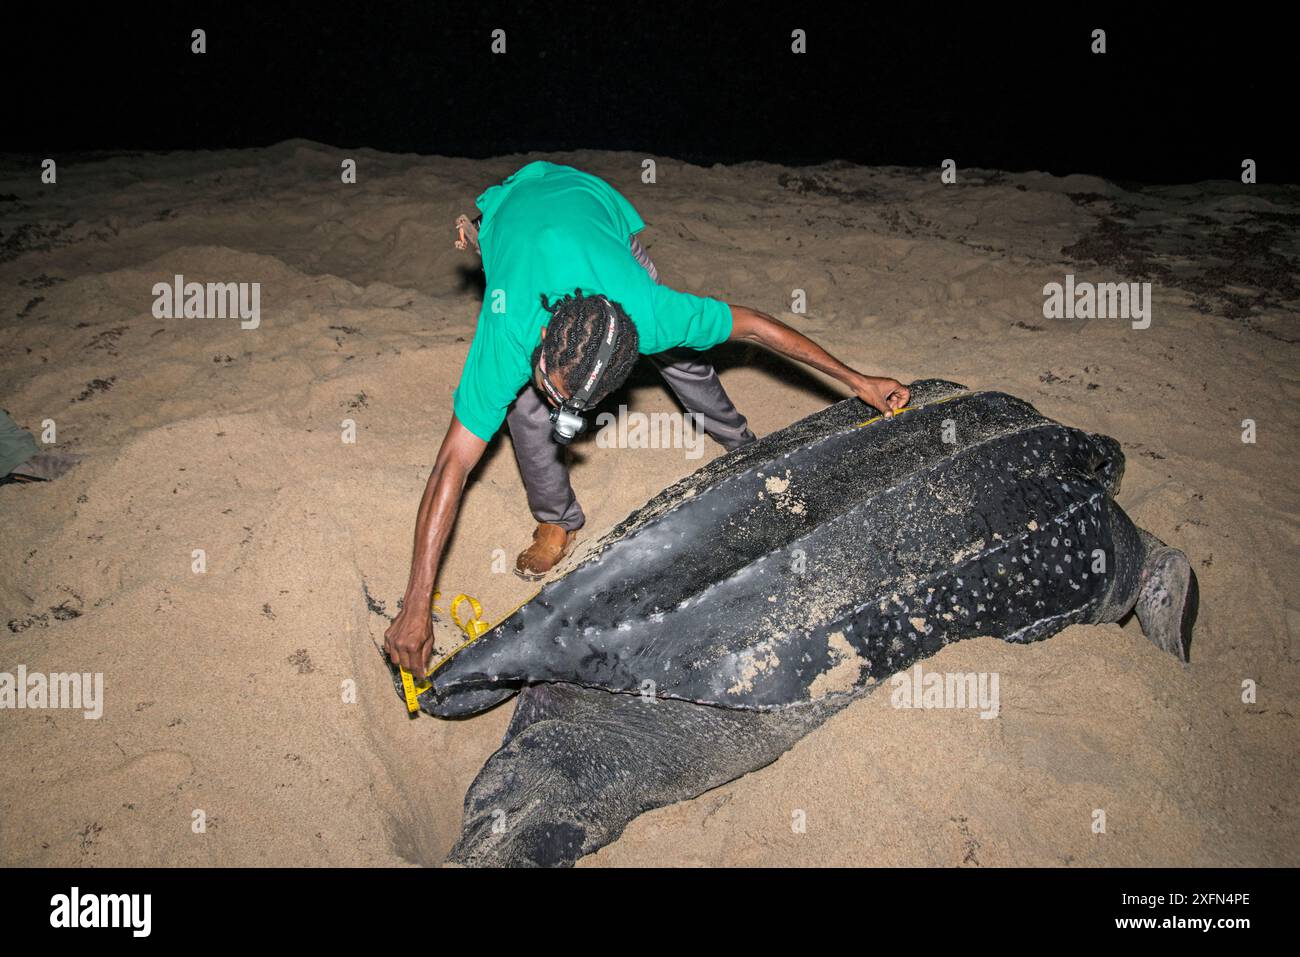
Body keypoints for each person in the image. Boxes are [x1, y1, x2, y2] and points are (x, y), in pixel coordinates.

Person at [385, 161, 909, 678]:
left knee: (685, 360)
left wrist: (856, 379)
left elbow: (753, 327)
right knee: (525, 410)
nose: (570, 415)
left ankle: (746, 447)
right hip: (513, 215)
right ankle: (556, 519)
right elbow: (451, 464)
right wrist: (415, 600)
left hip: (594, 205)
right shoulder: (509, 327)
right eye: (562, 395)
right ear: (542, 344)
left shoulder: (649, 310)